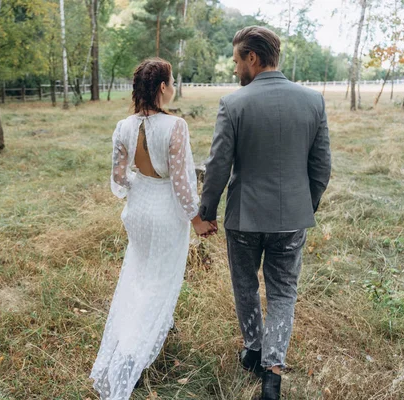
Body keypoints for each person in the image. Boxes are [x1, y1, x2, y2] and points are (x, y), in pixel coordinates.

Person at [199, 26, 331, 400]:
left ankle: (254, 350)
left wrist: (207, 211)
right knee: (283, 292)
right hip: (292, 216)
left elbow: (218, 166)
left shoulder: (233, 104)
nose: (236, 67)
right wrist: (305, 203)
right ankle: (272, 373)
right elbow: (321, 167)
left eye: (237, 59)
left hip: (244, 218)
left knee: (245, 286)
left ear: (252, 58)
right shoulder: (313, 101)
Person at [90, 58, 215, 400]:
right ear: (162, 87)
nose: (173, 86)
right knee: (158, 283)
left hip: (138, 210)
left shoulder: (123, 127)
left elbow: (118, 179)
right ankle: (131, 354)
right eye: (171, 81)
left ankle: (135, 337)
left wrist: (139, 184)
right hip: (164, 214)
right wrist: (197, 219)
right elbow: (182, 184)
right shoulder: (175, 127)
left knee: (139, 275)